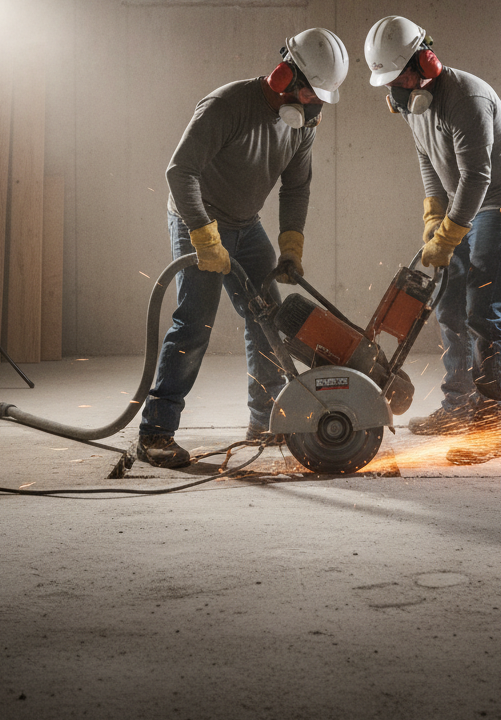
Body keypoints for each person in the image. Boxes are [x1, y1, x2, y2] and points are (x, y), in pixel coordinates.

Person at [138, 28, 349, 468]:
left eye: (319, 99)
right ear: (282, 75)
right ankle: (156, 431)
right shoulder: (226, 105)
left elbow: (296, 187)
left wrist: (291, 243)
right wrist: (202, 233)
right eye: (309, 94)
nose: (313, 106)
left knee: (269, 322)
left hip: (246, 226)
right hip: (198, 217)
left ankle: (266, 420)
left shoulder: (303, 125)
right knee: (194, 322)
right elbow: (180, 173)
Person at [364, 15, 501, 464]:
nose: (395, 90)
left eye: (400, 77)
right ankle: (457, 407)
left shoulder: (468, 99)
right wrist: (433, 217)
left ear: (426, 62)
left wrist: (450, 232)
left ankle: (488, 429)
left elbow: (478, 177)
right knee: (449, 305)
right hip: (463, 203)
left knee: (483, 312)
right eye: (390, 81)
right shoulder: (413, 105)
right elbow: (428, 162)